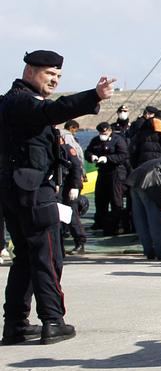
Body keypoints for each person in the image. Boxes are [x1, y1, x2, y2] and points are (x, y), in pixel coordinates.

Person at [0, 52, 113, 344]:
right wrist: (94, 95)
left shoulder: (9, 103)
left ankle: (16, 324)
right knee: (47, 257)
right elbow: (52, 111)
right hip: (34, 190)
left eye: (58, 77)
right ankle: (52, 319)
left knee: (25, 257)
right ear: (29, 71)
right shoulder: (22, 101)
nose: (54, 80)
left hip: (15, 190)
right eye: (50, 73)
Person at [127, 114, 161, 260]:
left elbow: (131, 157)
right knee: (155, 217)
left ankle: (148, 250)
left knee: (140, 217)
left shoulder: (137, 138)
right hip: (153, 179)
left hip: (135, 178)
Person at [86, 121, 130, 235]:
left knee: (115, 199)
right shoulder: (96, 140)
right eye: (101, 132)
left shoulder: (118, 140)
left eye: (104, 132)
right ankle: (100, 222)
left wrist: (108, 158)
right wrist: (91, 156)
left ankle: (116, 224)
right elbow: (88, 151)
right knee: (100, 198)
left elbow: (123, 155)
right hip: (102, 171)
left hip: (116, 171)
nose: (102, 134)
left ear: (109, 130)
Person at [59, 132, 88, 256]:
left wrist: (75, 187)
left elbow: (77, 168)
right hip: (57, 187)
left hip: (68, 186)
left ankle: (80, 242)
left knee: (71, 215)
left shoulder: (67, 150)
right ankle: (59, 246)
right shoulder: (50, 150)